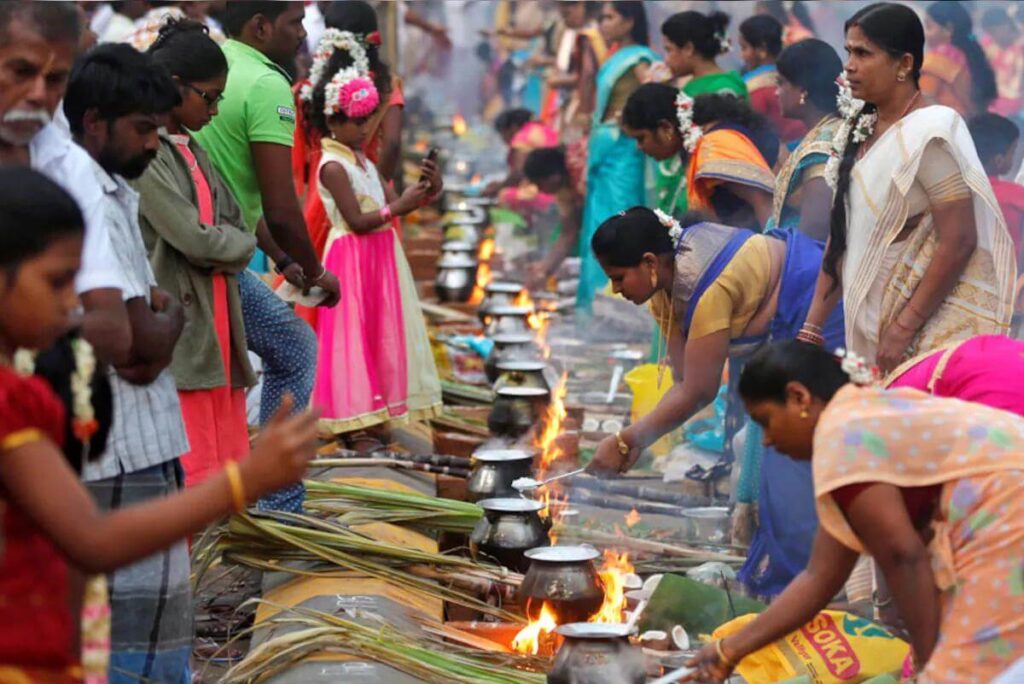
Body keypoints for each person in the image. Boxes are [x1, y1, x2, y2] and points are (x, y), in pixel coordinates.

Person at [0, 166, 319, 682]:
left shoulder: (31, 388)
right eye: (57, 282)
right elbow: (91, 539)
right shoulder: (8, 403)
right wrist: (244, 482)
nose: (71, 304)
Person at [684, 340, 1024, 683]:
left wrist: (927, 663)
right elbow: (819, 578)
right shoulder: (858, 418)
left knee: (962, 674)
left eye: (766, 421)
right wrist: (729, 650)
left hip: (1006, 507)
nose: (768, 441)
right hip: (1002, 504)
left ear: (799, 397)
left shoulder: (841, 432)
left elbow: (903, 557)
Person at [585, 208, 843, 598]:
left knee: (793, 458)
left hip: (812, 306)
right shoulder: (665, 288)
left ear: (650, 263)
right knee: (777, 458)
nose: (617, 290)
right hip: (783, 321)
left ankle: (801, 585)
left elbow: (700, 391)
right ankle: (789, 576)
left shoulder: (706, 288)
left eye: (619, 278)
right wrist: (633, 441)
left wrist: (626, 441)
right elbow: (684, 380)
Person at [61, 43, 197, 683]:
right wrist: (168, 323)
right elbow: (134, 341)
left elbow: (143, 335)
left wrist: (158, 327)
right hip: (120, 448)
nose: (154, 145)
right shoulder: (83, 186)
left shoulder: (109, 182)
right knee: (130, 639)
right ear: (94, 122)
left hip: (140, 435)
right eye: (143, 130)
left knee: (140, 626)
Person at [799, 3, 1015, 376]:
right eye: (848, 51)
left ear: (904, 64)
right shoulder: (860, 128)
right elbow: (843, 232)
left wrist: (902, 329)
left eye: (863, 53)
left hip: (922, 332)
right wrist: (812, 325)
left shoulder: (929, 132)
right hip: (868, 324)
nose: (849, 65)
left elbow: (959, 238)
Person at [193, 1, 332, 512]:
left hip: (223, 246)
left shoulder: (221, 65)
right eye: (294, 22)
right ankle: (279, 503)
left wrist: (280, 259)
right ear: (260, 25)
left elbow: (227, 187)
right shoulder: (268, 84)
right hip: (218, 258)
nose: (302, 33)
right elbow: (279, 205)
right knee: (295, 349)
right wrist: (318, 273)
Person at [137, 20, 256, 490]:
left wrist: (226, 245)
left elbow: (235, 224)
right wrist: (228, 246)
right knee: (194, 462)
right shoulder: (149, 156)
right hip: (185, 325)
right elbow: (196, 239)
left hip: (216, 319)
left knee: (222, 456)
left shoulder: (195, 150)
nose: (215, 109)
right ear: (174, 87)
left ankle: (215, 552)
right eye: (209, 97)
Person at [310, 37, 443, 448]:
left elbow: (390, 202)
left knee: (380, 330)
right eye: (356, 120)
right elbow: (357, 219)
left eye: (370, 119)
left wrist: (427, 190)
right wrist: (397, 209)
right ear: (333, 120)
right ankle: (352, 422)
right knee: (352, 336)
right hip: (351, 255)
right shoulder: (333, 165)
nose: (365, 127)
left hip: (380, 256)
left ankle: (377, 412)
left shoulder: (363, 159)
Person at [292, 1, 402, 331]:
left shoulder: (307, 90)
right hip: (375, 198)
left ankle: (325, 377)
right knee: (372, 303)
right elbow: (393, 143)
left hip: (321, 200)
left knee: (323, 305)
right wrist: (370, 184)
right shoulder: (385, 86)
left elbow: (298, 166)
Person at [577, 1, 660, 314]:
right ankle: (595, 305)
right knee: (597, 223)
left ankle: (617, 306)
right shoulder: (614, 58)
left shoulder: (640, 59)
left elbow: (654, 94)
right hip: (605, 154)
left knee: (618, 224)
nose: (603, 25)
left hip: (625, 154)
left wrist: (626, 119)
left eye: (609, 18)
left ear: (629, 21)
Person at [621, 85, 778, 231]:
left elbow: (764, 201)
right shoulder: (698, 144)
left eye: (641, 138)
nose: (639, 147)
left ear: (666, 127)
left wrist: (778, 253)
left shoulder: (714, 147)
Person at [766, 39, 844, 240]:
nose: (777, 92)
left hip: (801, 262)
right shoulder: (825, 131)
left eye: (781, 83)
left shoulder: (823, 146)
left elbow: (815, 230)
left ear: (803, 90)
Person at [921, 1, 998, 119]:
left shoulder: (938, 57)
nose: (926, 34)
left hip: (949, 128)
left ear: (948, 28)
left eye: (929, 27)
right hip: (974, 127)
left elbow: (926, 97)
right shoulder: (972, 53)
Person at [738, 15, 805, 144]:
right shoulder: (794, 73)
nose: (742, 56)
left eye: (744, 48)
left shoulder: (752, 87)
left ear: (762, 49)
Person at [523, 146, 584, 288]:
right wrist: (544, 269)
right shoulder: (563, 191)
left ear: (553, 177)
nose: (539, 190)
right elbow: (568, 233)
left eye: (539, 184)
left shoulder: (582, 174)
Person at [969, 113, 1024, 268]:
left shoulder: (955, 190)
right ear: (999, 160)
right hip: (1007, 275)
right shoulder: (1015, 196)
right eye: (1013, 152)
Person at [661, 11, 746, 99]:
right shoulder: (693, 86)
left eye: (669, 50)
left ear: (688, 49)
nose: (666, 60)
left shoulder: (723, 90)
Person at [485, 107, 558, 203]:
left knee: (504, 195)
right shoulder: (543, 128)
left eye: (502, 134)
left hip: (544, 192)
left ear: (512, 128)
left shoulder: (522, 138)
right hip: (557, 186)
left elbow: (518, 173)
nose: (503, 139)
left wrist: (498, 188)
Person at [980, 7, 1024, 119]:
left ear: (1006, 25)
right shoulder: (988, 44)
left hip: (1018, 111)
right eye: (989, 33)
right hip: (992, 109)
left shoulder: (1021, 46)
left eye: (994, 32)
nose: (992, 36)